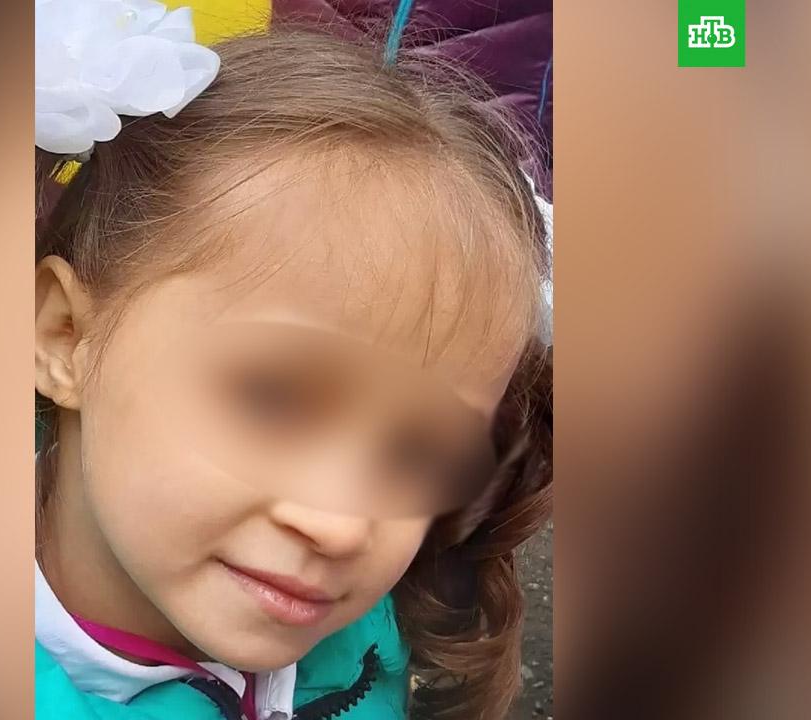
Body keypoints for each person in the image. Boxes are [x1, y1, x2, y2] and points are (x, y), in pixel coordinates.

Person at [34, 4, 552, 717]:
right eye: (273, 397)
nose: (339, 524)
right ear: (65, 335)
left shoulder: (370, 640)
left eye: (416, 452)